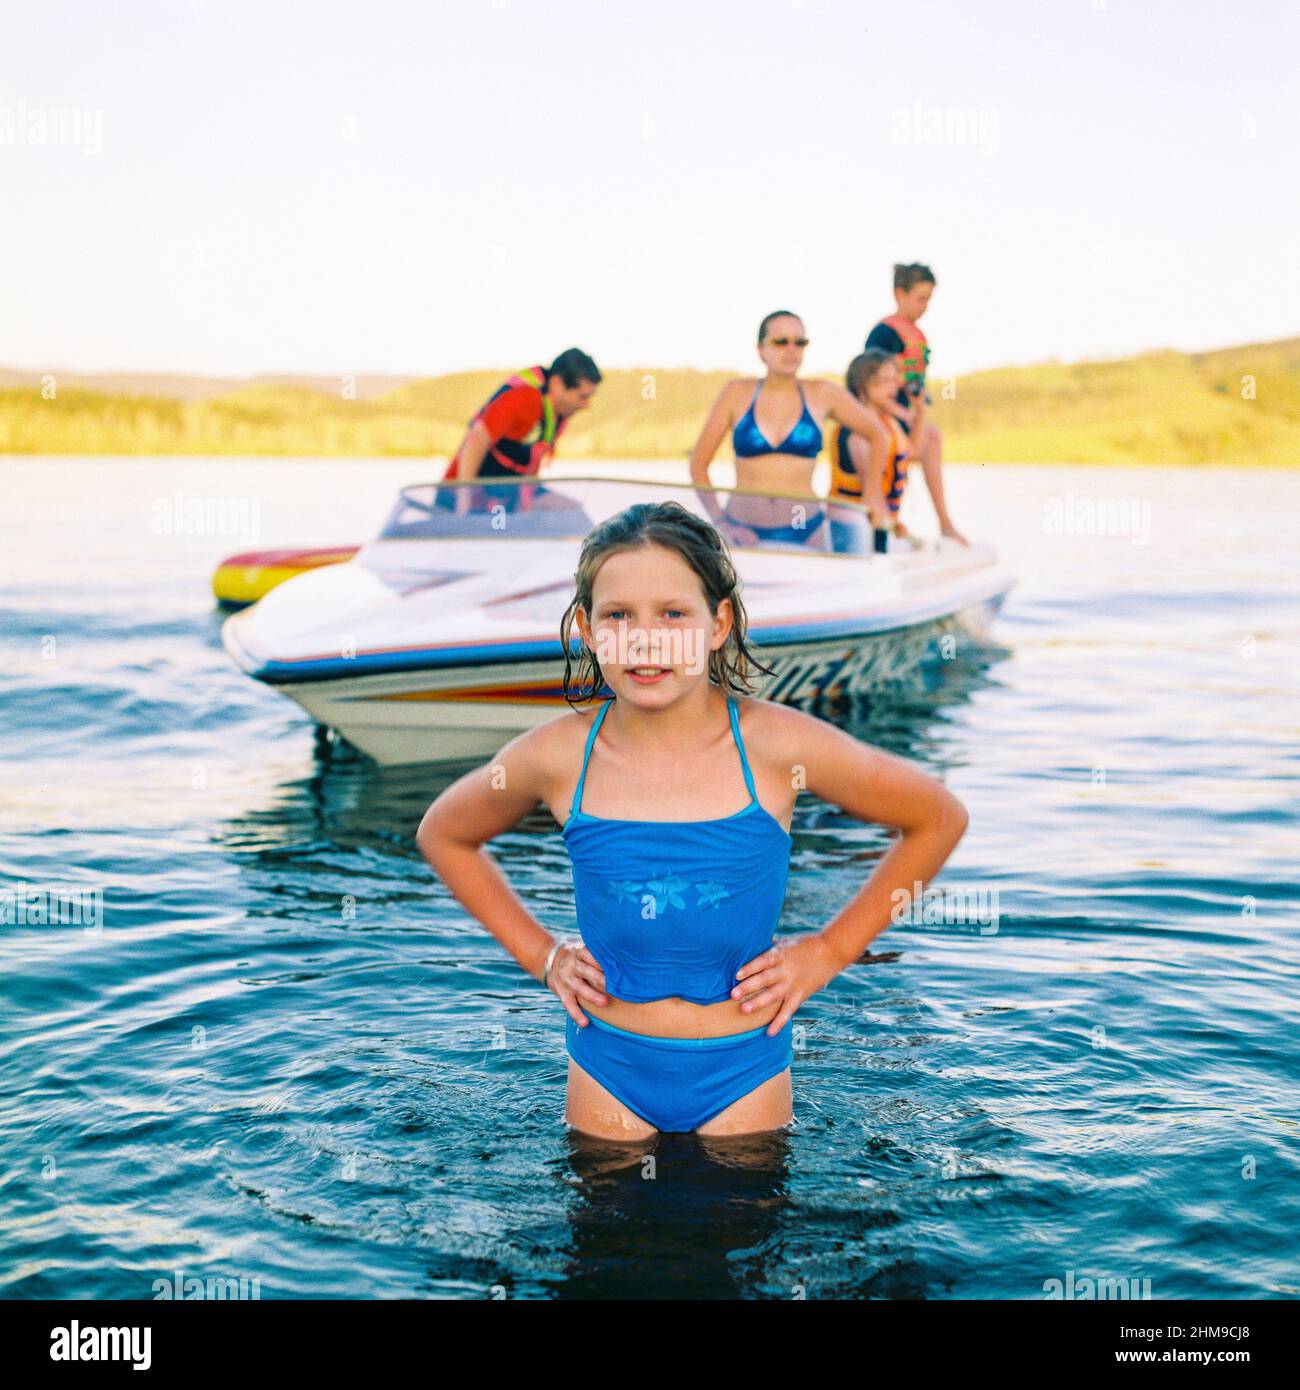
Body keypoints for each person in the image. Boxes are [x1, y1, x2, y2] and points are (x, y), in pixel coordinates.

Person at [415, 502, 969, 1140]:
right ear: (588, 630)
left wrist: (830, 951)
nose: (646, 640)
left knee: (737, 1235)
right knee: (603, 1238)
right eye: (618, 615)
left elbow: (936, 817)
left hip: (744, 1072)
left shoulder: (777, 748)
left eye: (674, 614)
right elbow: (446, 833)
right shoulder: (556, 755)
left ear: (718, 622)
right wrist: (543, 957)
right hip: (607, 1067)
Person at [688, 311, 892, 551]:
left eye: (800, 342)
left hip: (807, 530)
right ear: (760, 349)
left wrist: (872, 495)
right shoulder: (735, 393)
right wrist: (720, 522)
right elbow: (698, 464)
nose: (791, 349)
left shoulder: (823, 393)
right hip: (742, 532)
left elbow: (877, 434)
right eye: (781, 341)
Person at [865, 264, 968, 545]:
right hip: (883, 420)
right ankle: (939, 523)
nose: (925, 307)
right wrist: (906, 417)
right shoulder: (884, 334)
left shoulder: (916, 337)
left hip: (906, 419)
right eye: (920, 298)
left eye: (929, 299)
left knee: (933, 437)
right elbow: (870, 384)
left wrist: (916, 413)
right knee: (931, 438)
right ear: (900, 293)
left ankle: (941, 524)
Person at [438, 348, 601, 516]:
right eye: (582, 396)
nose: (586, 405)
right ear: (557, 384)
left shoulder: (557, 415)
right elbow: (476, 439)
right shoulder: (526, 398)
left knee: (573, 514)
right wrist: (464, 507)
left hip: (507, 496)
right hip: (461, 496)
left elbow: (530, 466)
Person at [827, 350, 916, 554]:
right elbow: (872, 494)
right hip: (852, 529)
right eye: (883, 380)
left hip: (875, 522)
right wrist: (891, 523)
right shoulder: (859, 434)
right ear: (861, 386)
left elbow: (912, 453)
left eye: (894, 380)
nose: (892, 387)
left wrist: (918, 412)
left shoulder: (888, 424)